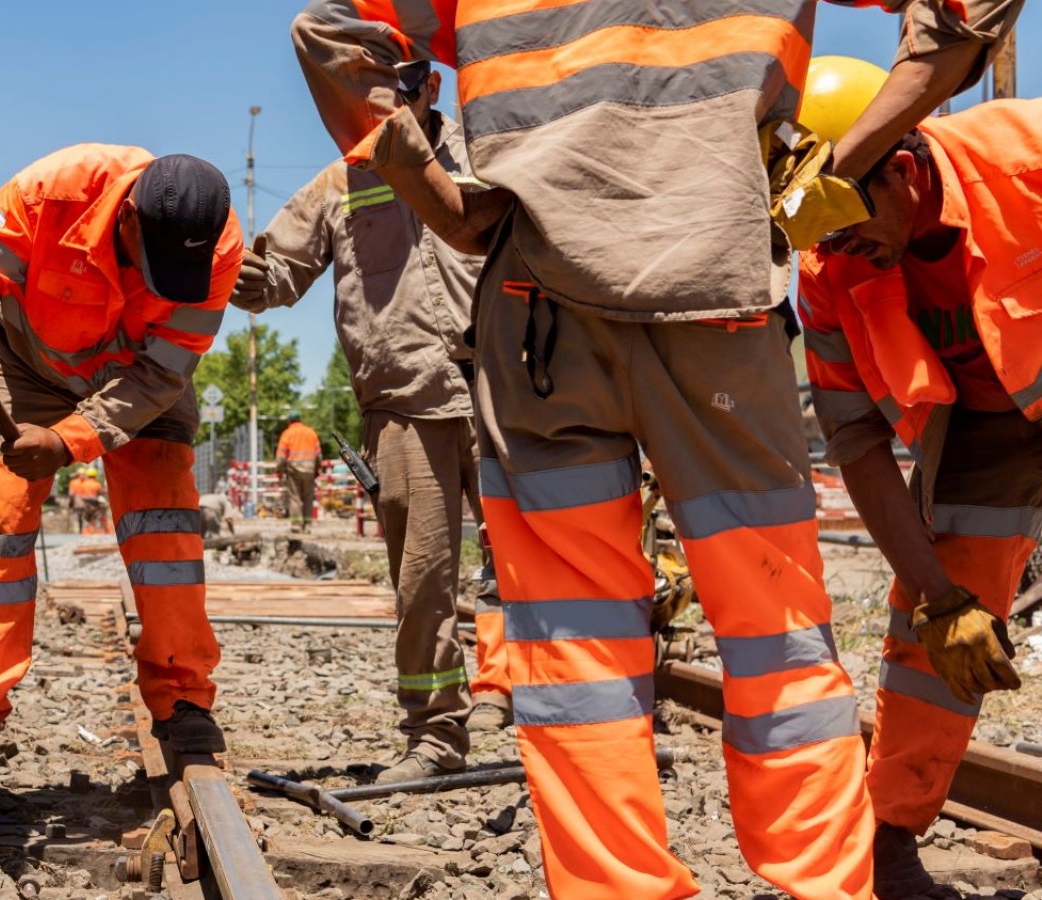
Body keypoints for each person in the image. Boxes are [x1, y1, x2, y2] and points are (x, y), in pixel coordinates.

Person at [289, 0, 1019, 896]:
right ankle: (829, 884)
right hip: (714, 290)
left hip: (538, 310)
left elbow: (329, 30)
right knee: (774, 626)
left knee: (575, 646)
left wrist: (443, 203)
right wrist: (848, 154)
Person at [0, 145, 242, 768]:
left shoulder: (219, 245)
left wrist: (70, 439)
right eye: (156, 268)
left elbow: (161, 374)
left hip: (140, 378)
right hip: (20, 359)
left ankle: (184, 701)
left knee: (165, 522)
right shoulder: (52, 192)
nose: (159, 285)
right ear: (128, 221)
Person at [233, 58, 509, 783]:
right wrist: (229, 265)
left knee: (550, 569)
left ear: (431, 88)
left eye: (398, 91)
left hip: (511, 388)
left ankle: (574, 718)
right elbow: (277, 277)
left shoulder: (487, 154)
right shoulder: (340, 182)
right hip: (407, 399)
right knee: (424, 582)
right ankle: (436, 735)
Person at [799, 82, 1042, 898]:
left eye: (844, 226)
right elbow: (856, 439)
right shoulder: (828, 269)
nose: (837, 250)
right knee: (930, 642)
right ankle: (890, 845)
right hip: (986, 423)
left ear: (900, 172)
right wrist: (943, 598)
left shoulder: (1029, 155)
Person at [273, 412, 320, 532]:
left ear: (289, 421)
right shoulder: (311, 432)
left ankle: (297, 525)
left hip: (294, 471)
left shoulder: (287, 434)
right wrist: (316, 469)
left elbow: (281, 456)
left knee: (295, 498)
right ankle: (308, 525)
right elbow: (318, 455)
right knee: (309, 498)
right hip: (309, 470)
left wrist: (279, 471)